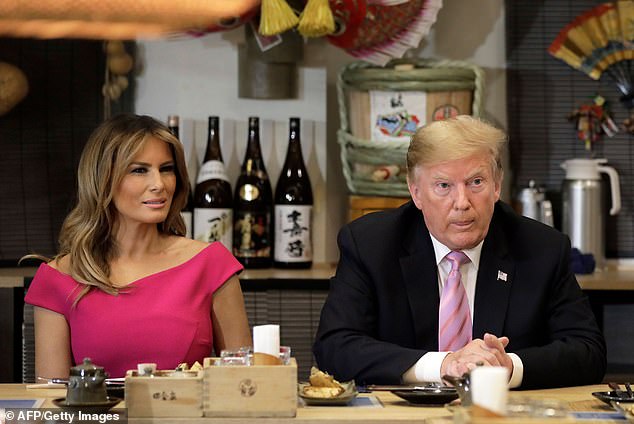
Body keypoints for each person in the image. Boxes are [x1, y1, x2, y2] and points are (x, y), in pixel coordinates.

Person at [313, 115, 606, 389]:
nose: (462, 202)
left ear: (496, 186)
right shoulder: (371, 244)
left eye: (476, 182)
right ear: (415, 191)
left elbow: (588, 351)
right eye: (443, 186)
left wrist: (508, 367)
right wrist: (444, 364)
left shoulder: (540, 248)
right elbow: (335, 347)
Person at [24, 113, 251, 379]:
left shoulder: (211, 264)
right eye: (139, 170)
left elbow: (244, 384)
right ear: (103, 179)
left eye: (166, 169)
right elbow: (52, 402)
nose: (159, 184)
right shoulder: (58, 277)